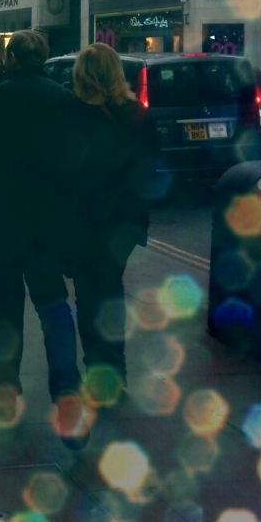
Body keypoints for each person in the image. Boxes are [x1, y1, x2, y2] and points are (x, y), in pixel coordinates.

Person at [0, 30, 88, 447]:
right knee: (54, 302)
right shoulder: (65, 100)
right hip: (48, 223)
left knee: (5, 305)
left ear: (9, 61)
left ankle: (7, 384)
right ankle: (66, 392)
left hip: (0, 221)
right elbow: (78, 164)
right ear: (43, 59)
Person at [69, 43, 160, 400]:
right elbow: (153, 172)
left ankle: (97, 368)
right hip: (122, 225)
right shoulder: (138, 114)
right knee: (111, 291)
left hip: (84, 223)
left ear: (82, 75)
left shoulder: (74, 115)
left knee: (89, 296)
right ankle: (115, 369)